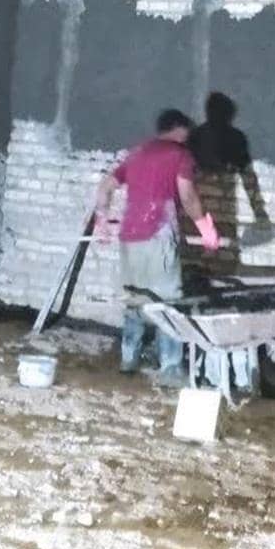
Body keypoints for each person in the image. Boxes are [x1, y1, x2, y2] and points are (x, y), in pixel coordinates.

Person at [94, 108, 221, 385]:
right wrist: (206, 229)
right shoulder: (179, 154)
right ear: (179, 129)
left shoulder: (137, 153)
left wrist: (101, 221)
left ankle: (129, 359)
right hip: (158, 235)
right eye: (187, 133)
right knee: (168, 303)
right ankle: (171, 368)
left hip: (129, 236)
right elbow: (187, 195)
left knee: (134, 298)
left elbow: (105, 186)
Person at [188, 93, 271, 253]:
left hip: (197, 205)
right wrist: (259, 211)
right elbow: (249, 179)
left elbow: (183, 176)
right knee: (223, 249)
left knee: (196, 249)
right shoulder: (236, 138)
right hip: (223, 205)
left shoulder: (195, 137)